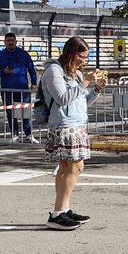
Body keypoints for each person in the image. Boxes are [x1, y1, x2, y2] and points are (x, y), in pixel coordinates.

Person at [41, 36, 106, 230]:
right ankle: (58, 213)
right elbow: (62, 98)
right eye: (81, 56)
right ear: (70, 52)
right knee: (75, 167)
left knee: (67, 168)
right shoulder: (54, 70)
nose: (83, 61)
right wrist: (85, 82)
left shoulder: (75, 73)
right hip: (64, 125)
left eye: (86, 58)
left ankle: (62, 210)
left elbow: (81, 101)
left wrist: (96, 89)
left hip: (77, 124)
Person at [0, 32, 38, 142]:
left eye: (12, 40)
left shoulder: (24, 54)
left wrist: (34, 82)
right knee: (11, 113)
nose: (10, 43)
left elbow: (31, 69)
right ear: (5, 42)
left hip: (23, 90)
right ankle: (14, 135)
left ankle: (29, 134)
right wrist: (3, 71)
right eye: (8, 41)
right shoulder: (0, 55)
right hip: (7, 90)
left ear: (16, 41)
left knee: (26, 111)